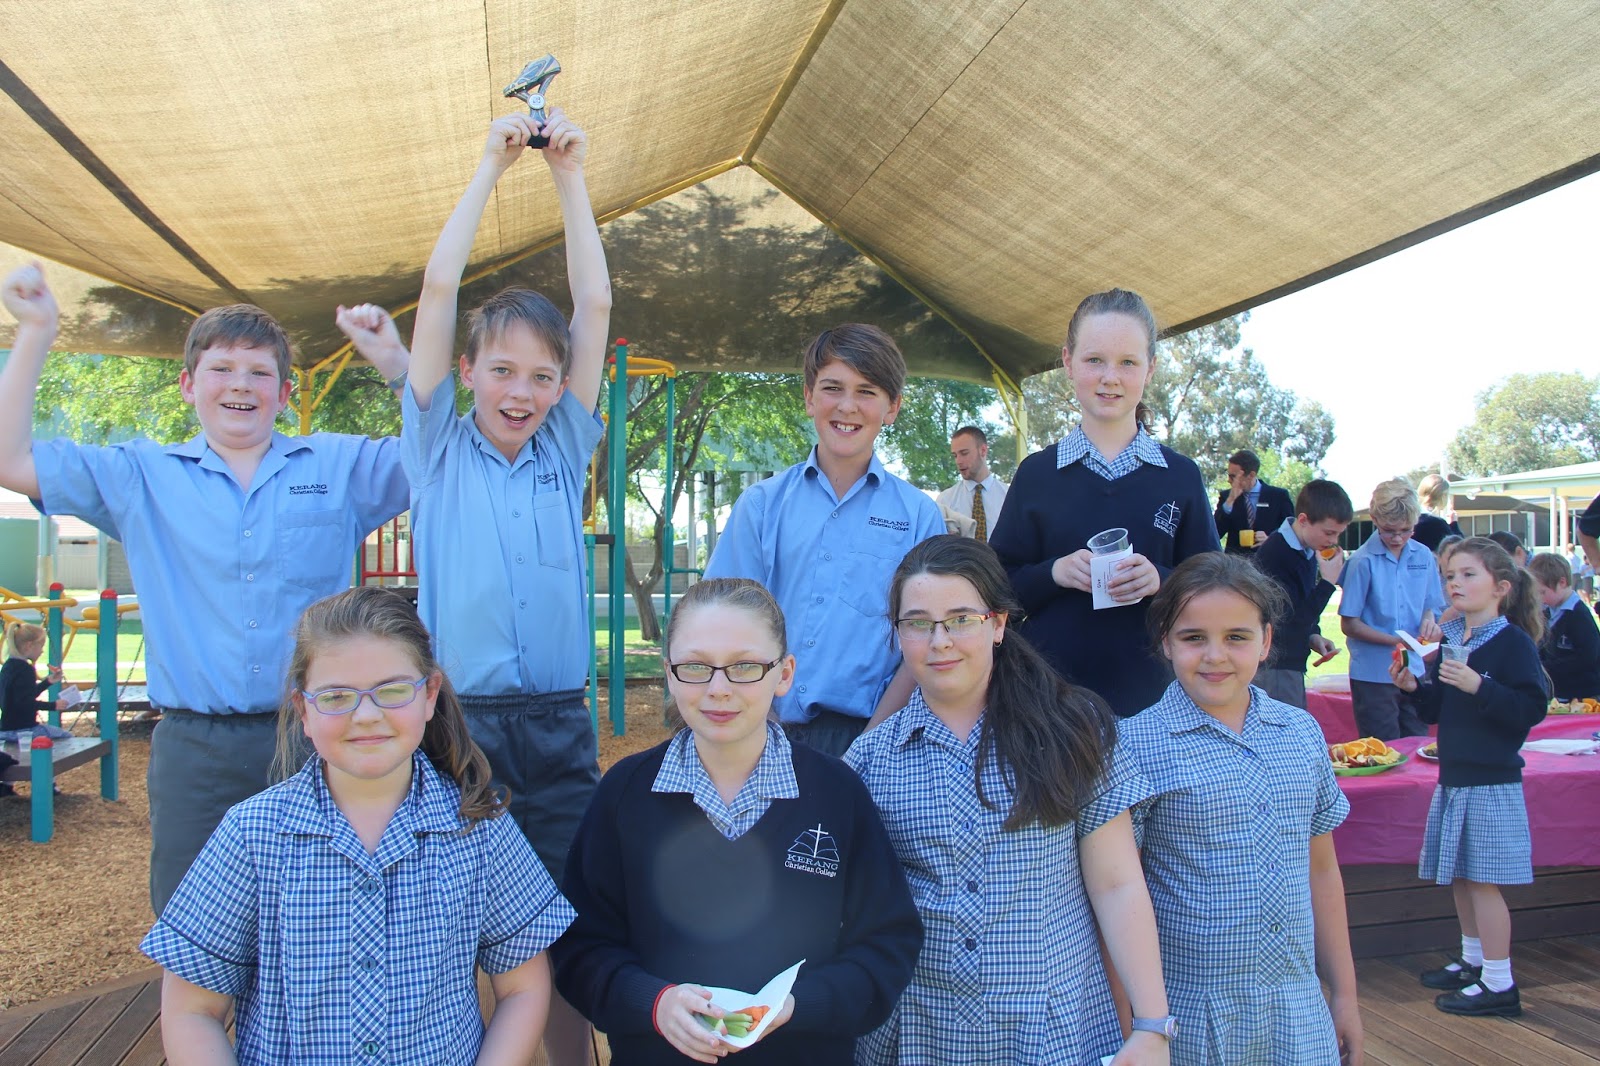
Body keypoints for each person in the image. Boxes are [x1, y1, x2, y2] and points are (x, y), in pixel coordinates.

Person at [0, 263, 409, 914]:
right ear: (189, 384)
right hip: (196, 749)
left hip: (313, 736)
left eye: (259, 373)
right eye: (222, 369)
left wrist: (396, 365)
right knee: (194, 931)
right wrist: (37, 331)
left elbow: (445, 457)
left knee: (321, 924)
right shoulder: (140, 475)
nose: (240, 385)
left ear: (281, 393)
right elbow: (11, 460)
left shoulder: (339, 467)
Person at [362, 105, 610, 1065]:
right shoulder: (435, 450)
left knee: (565, 921)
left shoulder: (565, 446)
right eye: (501, 369)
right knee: (452, 927)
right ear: (463, 371)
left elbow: (593, 309)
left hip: (556, 721)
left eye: (540, 376)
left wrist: (569, 178)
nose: (521, 390)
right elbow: (437, 285)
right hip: (458, 720)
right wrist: (489, 166)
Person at [141, 586, 574, 1064]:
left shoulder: (480, 828)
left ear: (429, 695)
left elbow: (523, 988)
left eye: (391, 690)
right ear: (303, 710)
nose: (366, 716)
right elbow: (192, 1009)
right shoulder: (251, 834)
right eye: (336, 696)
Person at [553, 578, 922, 1065]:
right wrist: (654, 1004)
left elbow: (885, 945)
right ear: (669, 673)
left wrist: (796, 1007)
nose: (718, 689)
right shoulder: (624, 795)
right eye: (695, 667)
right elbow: (581, 948)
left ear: (785, 673)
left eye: (745, 666)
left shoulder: (837, 795)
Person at [846, 536, 1174, 1066]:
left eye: (961, 619)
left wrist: (1152, 1024)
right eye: (918, 623)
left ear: (998, 623)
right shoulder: (870, 762)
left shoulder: (1075, 730)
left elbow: (1117, 884)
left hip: (1055, 1032)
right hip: (923, 1035)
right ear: (898, 634)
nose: (940, 642)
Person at [1119, 553, 1362, 1065]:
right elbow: (1118, 896)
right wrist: (1133, 1030)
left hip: (1297, 1013)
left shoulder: (1300, 733)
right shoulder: (1133, 745)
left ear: (1267, 641)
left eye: (1236, 637)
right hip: (1189, 1019)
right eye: (1193, 638)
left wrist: (1344, 995)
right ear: (1165, 640)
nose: (1215, 656)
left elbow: (1321, 869)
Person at [704, 324, 944, 755]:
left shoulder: (919, 516)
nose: (848, 406)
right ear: (809, 397)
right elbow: (722, 619)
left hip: (876, 734)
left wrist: (873, 741)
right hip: (763, 728)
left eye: (868, 391)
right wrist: (762, 727)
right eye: (833, 387)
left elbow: (924, 639)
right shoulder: (761, 506)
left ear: (893, 407)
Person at [989, 288, 1217, 717]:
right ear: (1068, 362)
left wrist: (1161, 581)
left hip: (1159, 709)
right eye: (1095, 359)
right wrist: (1054, 572)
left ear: (1150, 369)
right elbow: (996, 586)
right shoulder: (1036, 474)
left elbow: (1215, 587)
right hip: (1049, 709)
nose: (1110, 376)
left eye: (1128, 362)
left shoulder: (1181, 476)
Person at [1389, 537, 1549, 1018]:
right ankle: (1473, 962)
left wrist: (1481, 685)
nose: (1455, 583)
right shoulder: (1458, 638)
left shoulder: (1512, 644)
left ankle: (1500, 982)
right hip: (1457, 774)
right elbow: (1442, 707)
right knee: (1462, 875)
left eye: (1467, 575)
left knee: (1483, 881)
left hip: (1490, 779)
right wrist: (1416, 687)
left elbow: (1530, 708)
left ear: (1500, 587)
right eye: (1450, 576)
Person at [1339, 478, 1445, 740]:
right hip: (1374, 673)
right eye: (1389, 530)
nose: (1398, 538)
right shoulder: (1362, 561)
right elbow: (1349, 623)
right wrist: (1394, 640)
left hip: (1415, 670)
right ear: (1374, 519)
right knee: (1382, 746)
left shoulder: (1423, 557)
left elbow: (1430, 606)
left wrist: (1429, 621)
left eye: (1406, 530)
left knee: (1418, 740)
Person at [1251, 479, 1354, 708]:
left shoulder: (1306, 550)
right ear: (1304, 520)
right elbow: (1287, 621)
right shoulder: (1277, 554)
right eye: (1329, 532)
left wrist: (1313, 635)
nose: (1333, 541)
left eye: (1338, 534)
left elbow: (1301, 606)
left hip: (1290, 664)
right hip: (1276, 666)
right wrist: (1327, 583)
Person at [1528, 553, 1600, 700]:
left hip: (1583, 694)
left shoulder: (1579, 615)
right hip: (1558, 691)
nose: (1540, 598)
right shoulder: (1547, 612)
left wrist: (1545, 667)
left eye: (1543, 592)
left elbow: (1587, 657)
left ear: (1562, 582)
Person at [1213, 449, 1294, 555]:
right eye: (1228, 475)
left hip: (1269, 562)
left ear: (1251, 475)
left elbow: (1291, 533)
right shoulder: (1226, 497)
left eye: (1233, 476)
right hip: (1235, 565)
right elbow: (1215, 533)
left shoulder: (1278, 496)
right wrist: (1230, 501)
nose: (1229, 480)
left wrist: (1271, 540)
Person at [0, 621, 72, 741]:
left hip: (6, 729)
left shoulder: (8, 666)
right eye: (41, 646)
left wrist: (48, 681)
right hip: (24, 730)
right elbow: (25, 703)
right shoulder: (26, 669)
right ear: (29, 646)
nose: (42, 651)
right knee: (67, 738)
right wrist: (53, 705)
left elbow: (23, 695)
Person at [936, 426, 1008, 542]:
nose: (958, 461)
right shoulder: (945, 501)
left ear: (983, 451)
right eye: (955, 455)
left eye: (964, 453)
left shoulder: (1008, 496)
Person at [1413, 473, 1462, 552]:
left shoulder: (1409, 519)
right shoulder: (1437, 523)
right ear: (1443, 496)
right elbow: (1459, 547)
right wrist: (1454, 524)